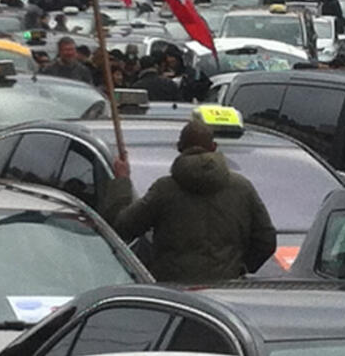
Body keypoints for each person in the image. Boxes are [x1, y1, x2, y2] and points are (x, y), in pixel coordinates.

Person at [103, 121, 277, 283]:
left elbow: (122, 227)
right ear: (214, 147)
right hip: (225, 292)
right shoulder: (242, 188)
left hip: (176, 294)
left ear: (179, 147)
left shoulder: (165, 190)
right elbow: (266, 239)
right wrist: (240, 268)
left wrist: (122, 181)